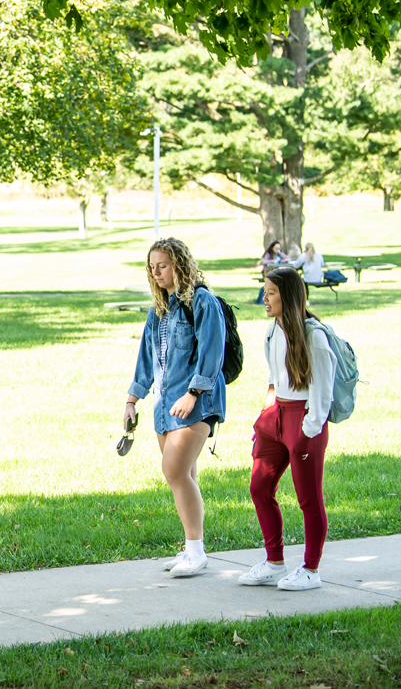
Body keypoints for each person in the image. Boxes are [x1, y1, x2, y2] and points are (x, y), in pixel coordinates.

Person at [124, 238, 227, 578]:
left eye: (162, 265)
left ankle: (196, 553)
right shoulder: (161, 311)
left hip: (196, 404)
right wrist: (132, 400)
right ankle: (190, 548)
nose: (156, 273)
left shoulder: (203, 302)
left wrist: (194, 393)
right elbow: (145, 358)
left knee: (175, 472)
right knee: (184, 476)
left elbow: (213, 352)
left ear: (179, 264)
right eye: (152, 267)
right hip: (165, 406)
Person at [239, 267, 336, 591]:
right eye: (264, 291)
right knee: (259, 487)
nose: (264, 298)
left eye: (271, 293)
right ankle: (274, 562)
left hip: (304, 421)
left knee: (308, 499)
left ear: (288, 296)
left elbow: (322, 393)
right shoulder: (273, 330)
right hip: (275, 416)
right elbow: (273, 374)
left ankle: (311, 570)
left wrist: (307, 432)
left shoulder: (315, 336)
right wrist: (268, 409)